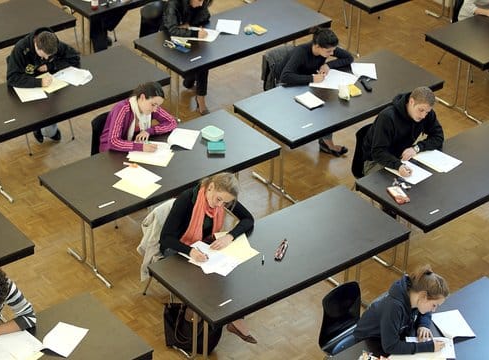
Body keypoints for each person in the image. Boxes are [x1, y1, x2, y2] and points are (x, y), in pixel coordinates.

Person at [159, 172, 257, 344]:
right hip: (178, 249)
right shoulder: (186, 199)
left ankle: (231, 317)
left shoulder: (223, 197)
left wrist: (230, 236)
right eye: (219, 200)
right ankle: (216, 320)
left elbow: (248, 219)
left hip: (204, 247)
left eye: (225, 203)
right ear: (210, 187)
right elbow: (166, 238)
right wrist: (190, 251)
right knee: (207, 279)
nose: (221, 205)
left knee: (232, 272)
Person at [279, 28, 354, 157]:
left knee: (328, 106)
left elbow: (349, 57)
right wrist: (312, 78)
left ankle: (326, 142)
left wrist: (329, 65)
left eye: (333, 50)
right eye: (328, 51)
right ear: (317, 46)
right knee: (320, 108)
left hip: (307, 84)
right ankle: (324, 141)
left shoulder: (326, 47)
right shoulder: (301, 52)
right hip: (287, 86)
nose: (331, 53)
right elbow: (285, 77)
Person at [353, 265, 449, 355]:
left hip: (390, 336)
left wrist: (423, 325)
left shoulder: (414, 296)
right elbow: (391, 346)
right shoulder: (394, 308)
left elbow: (424, 312)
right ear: (423, 296)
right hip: (368, 343)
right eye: (434, 305)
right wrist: (428, 347)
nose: (434, 310)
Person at [6, 28, 81, 143]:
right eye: (44, 56)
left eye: (49, 56)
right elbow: (12, 78)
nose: (46, 59)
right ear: (36, 45)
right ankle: (38, 128)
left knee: (53, 108)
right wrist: (39, 83)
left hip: (51, 84)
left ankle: (49, 131)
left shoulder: (54, 43)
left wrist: (51, 66)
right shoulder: (21, 49)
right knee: (37, 111)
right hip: (29, 85)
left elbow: (75, 58)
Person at [361, 86, 444, 177]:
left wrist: (417, 148)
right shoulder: (387, 118)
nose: (423, 116)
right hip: (375, 162)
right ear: (411, 101)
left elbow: (438, 136)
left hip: (401, 157)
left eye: (427, 112)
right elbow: (378, 152)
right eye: (421, 110)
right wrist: (398, 165)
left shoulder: (426, 113)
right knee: (395, 189)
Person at [162, 0, 213, 115]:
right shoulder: (174, 3)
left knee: (203, 61)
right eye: (199, 1)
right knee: (195, 62)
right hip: (170, 41)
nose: (201, 4)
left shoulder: (200, 2)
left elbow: (206, 17)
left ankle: (201, 97)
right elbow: (173, 30)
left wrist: (187, 25)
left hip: (188, 37)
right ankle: (189, 79)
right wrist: (192, 32)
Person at [99, 82, 177, 153]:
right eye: (153, 104)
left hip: (132, 149)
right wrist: (140, 147)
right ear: (142, 97)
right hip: (112, 152)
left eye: (158, 106)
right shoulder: (122, 108)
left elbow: (172, 122)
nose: (155, 110)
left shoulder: (152, 107)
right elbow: (113, 141)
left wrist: (149, 131)